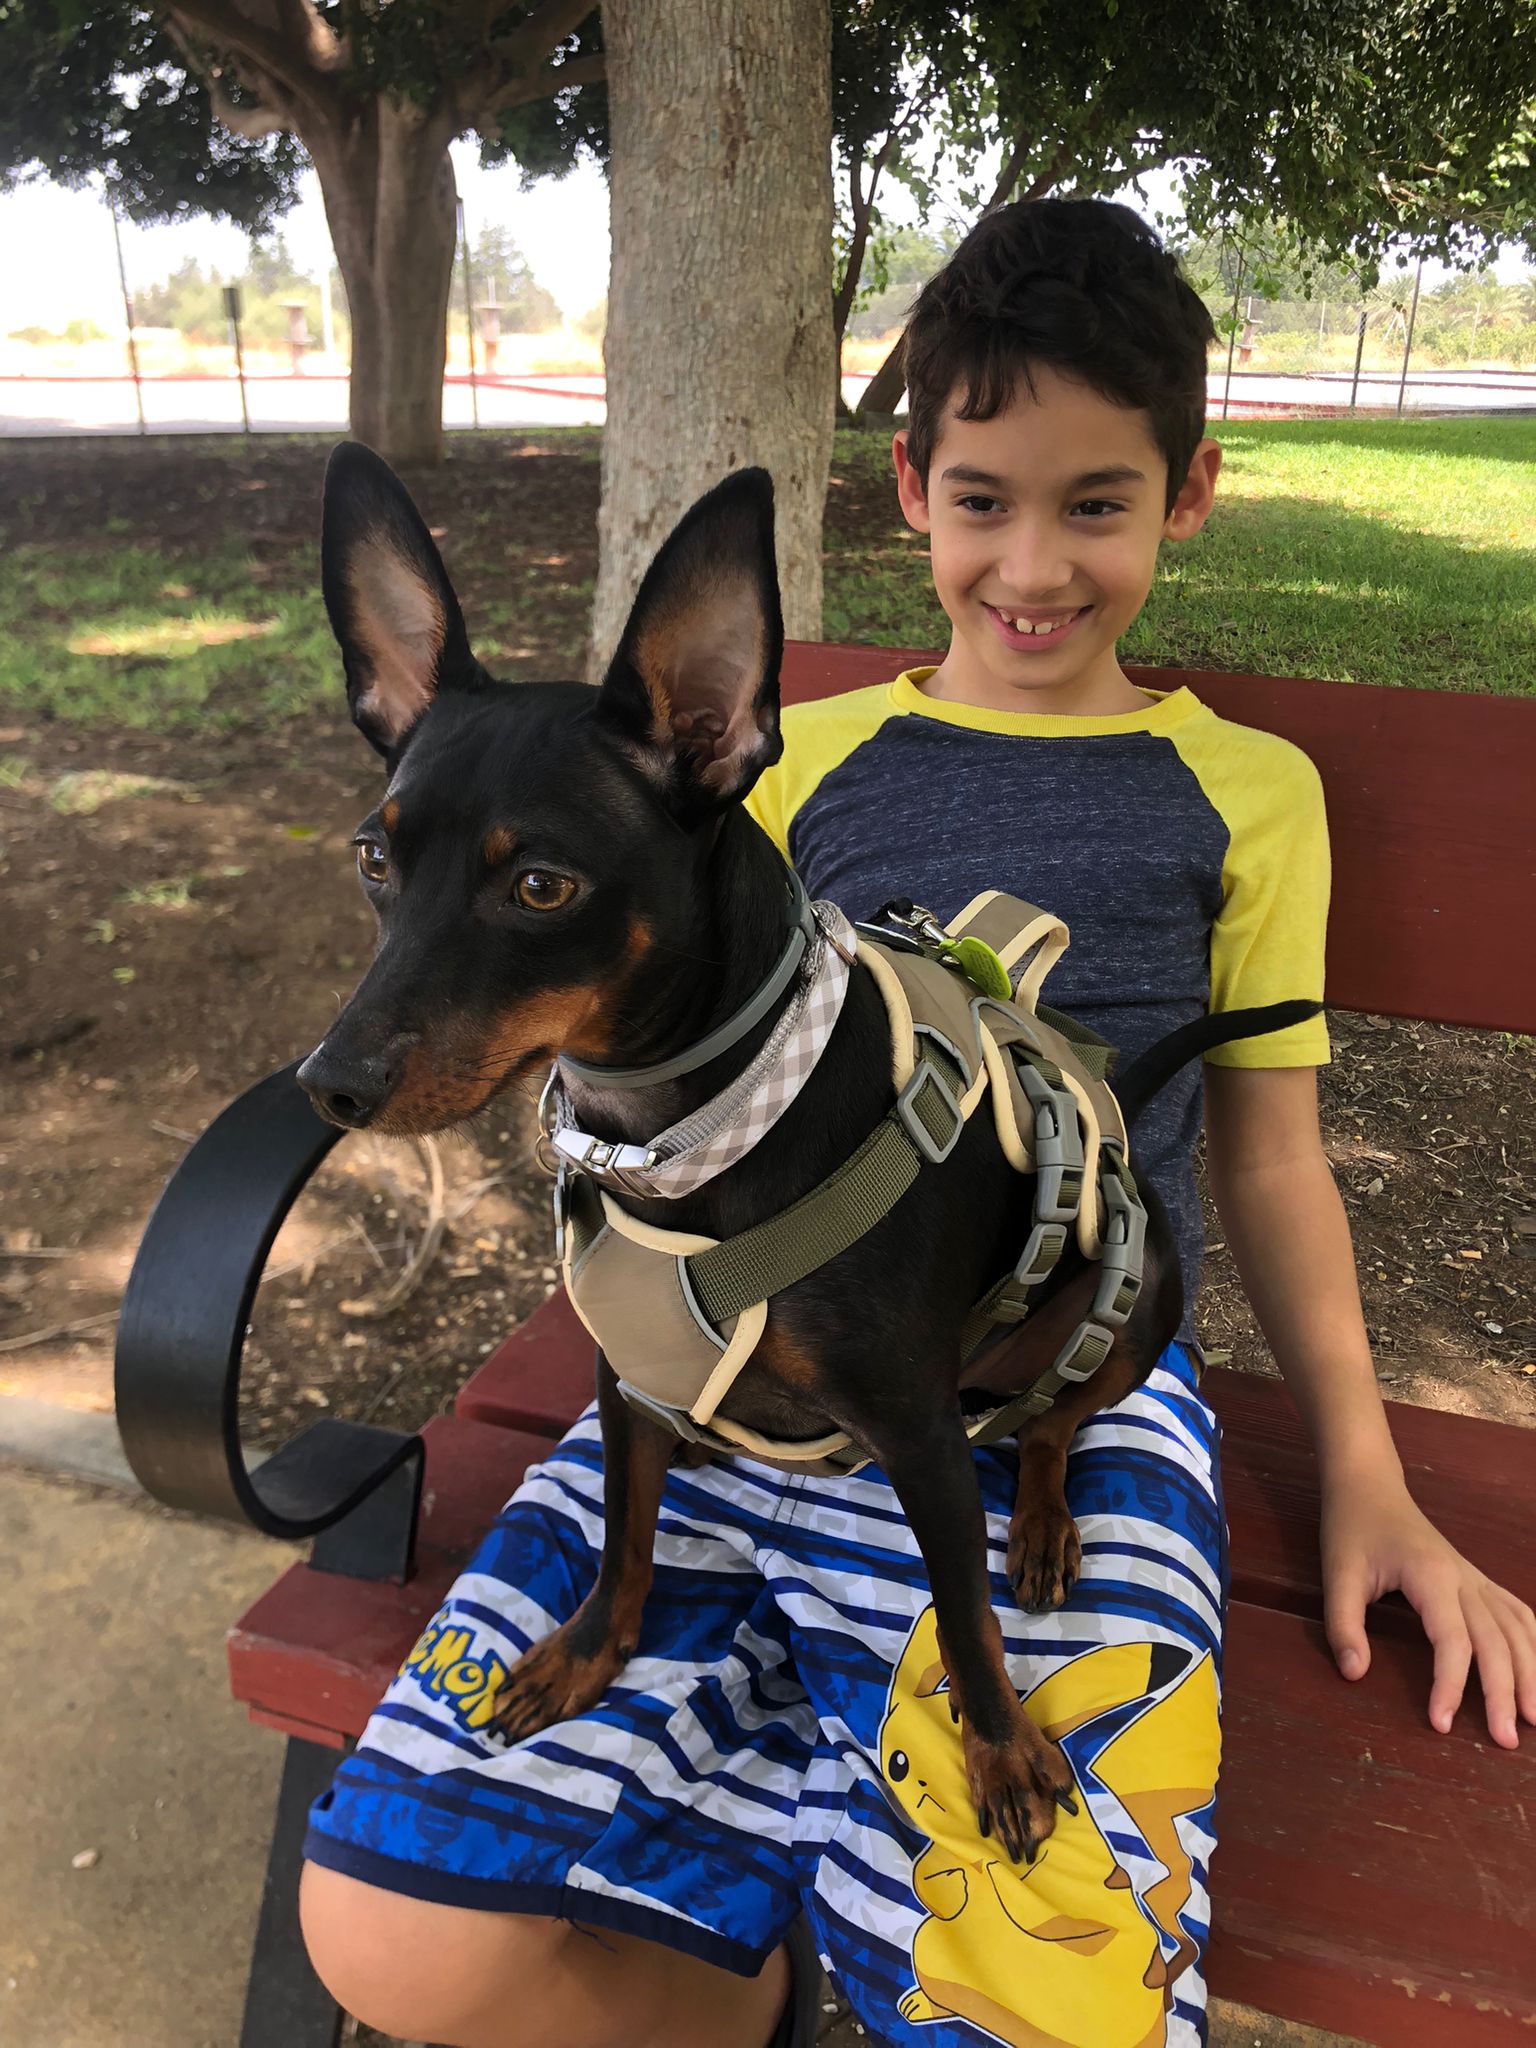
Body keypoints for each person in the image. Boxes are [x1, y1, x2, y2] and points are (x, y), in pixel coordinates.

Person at [298, 199, 1535, 2048]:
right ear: (911, 487)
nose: (1030, 564)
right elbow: (704, 1047)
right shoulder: (798, 755)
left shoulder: (1248, 792)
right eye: (984, 501)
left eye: (1094, 503)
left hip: (1056, 1369)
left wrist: (1371, 1481)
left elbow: (1272, 1159)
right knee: (394, 1939)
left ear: (1189, 491)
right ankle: (768, 1929)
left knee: (1044, 2001)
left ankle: (834, 1841)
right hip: (712, 1350)